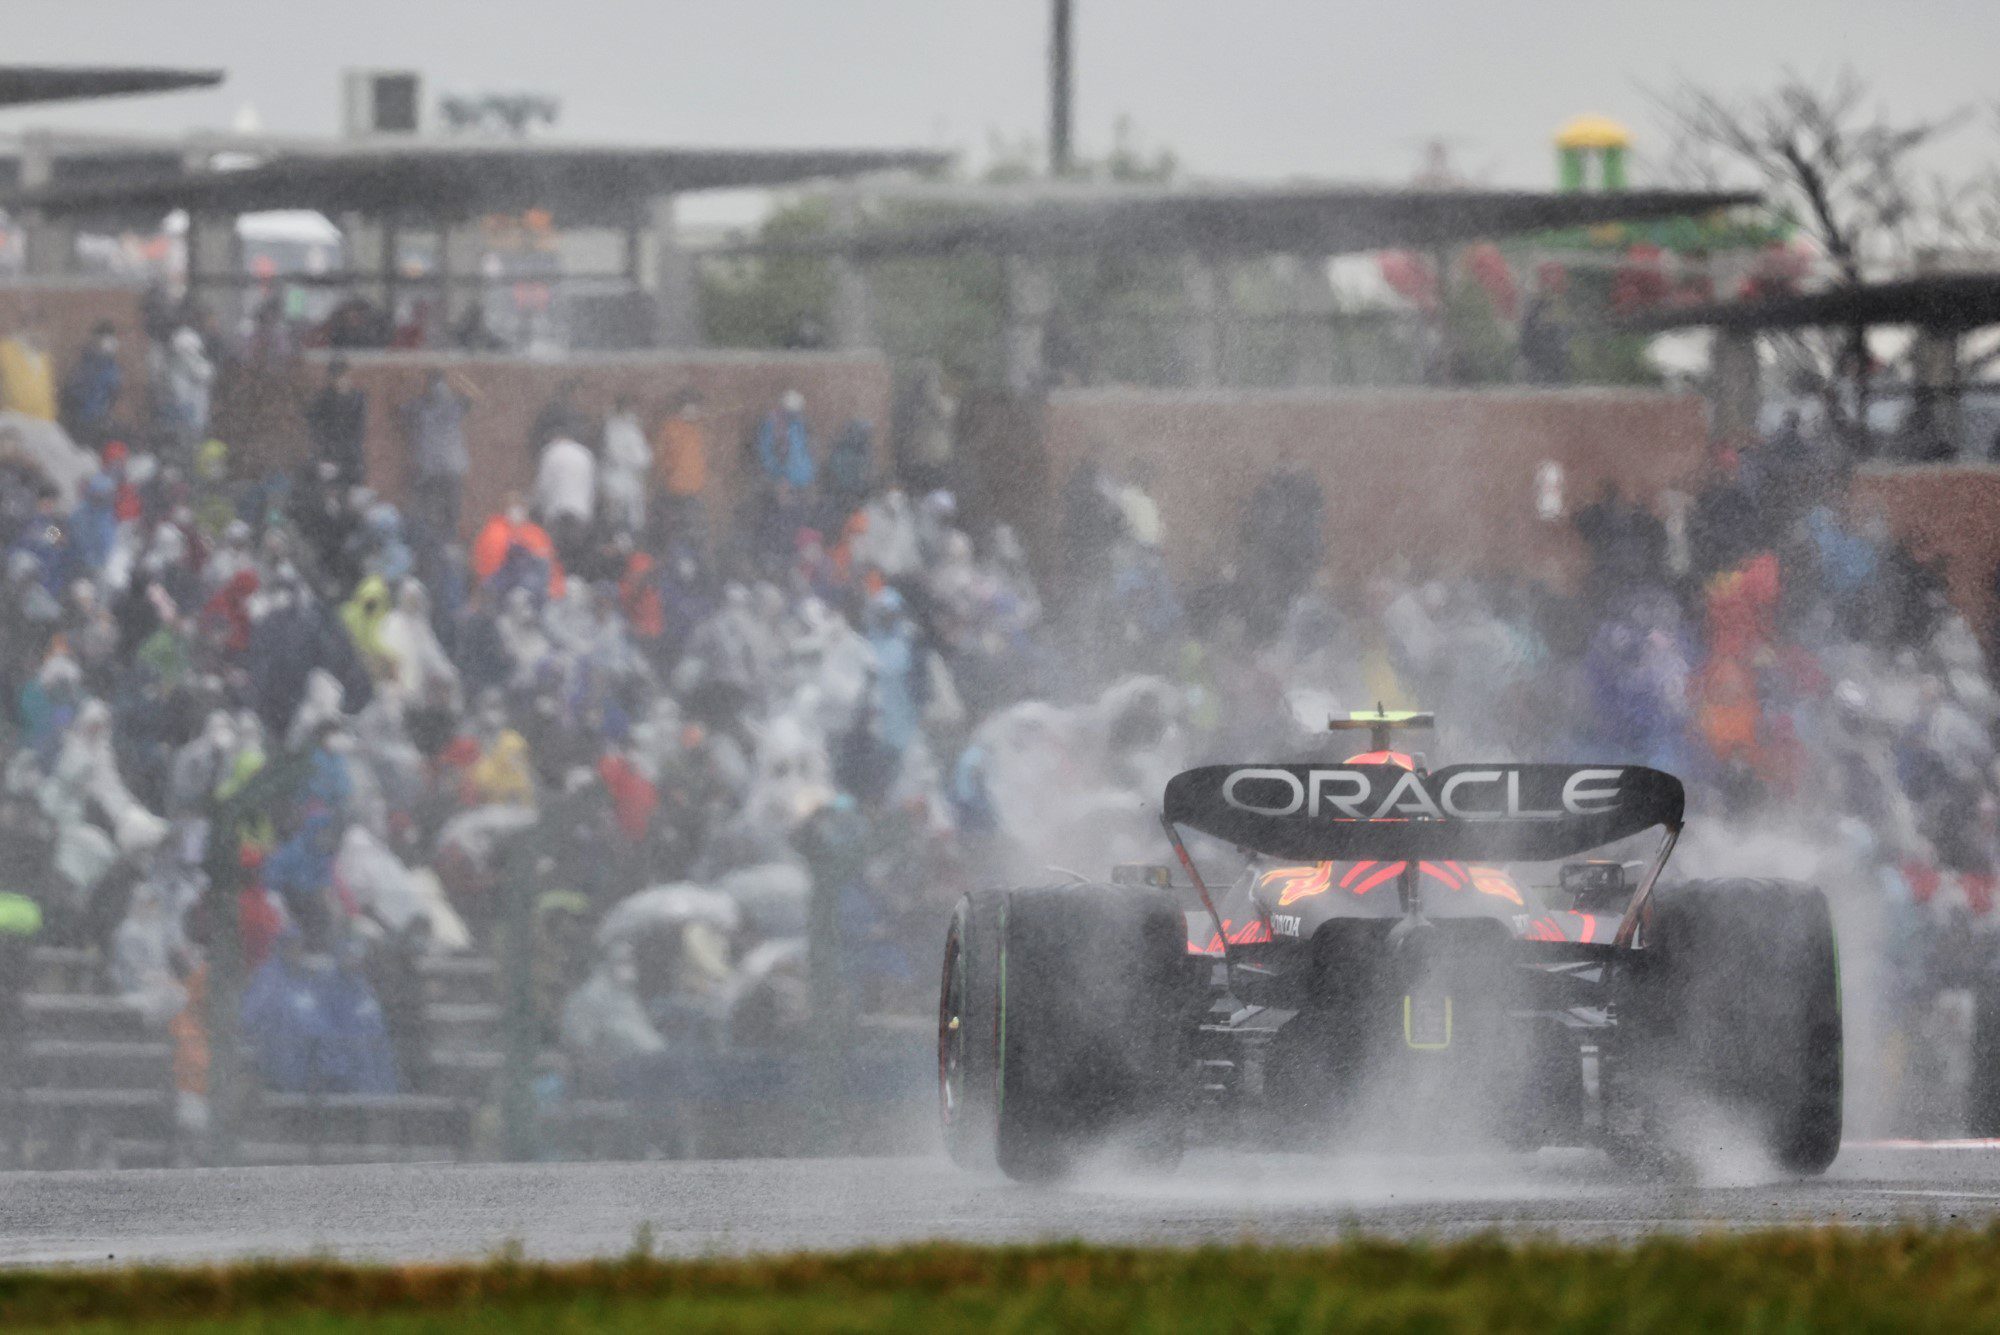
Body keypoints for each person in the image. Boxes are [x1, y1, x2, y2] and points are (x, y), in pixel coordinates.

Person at [401, 370, 477, 548]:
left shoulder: (422, 406)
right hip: (446, 468)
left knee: (433, 511)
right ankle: (442, 543)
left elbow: (399, 408)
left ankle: (436, 544)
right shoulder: (452, 404)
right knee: (446, 512)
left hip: (433, 468)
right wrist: (461, 381)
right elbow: (474, 395)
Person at [654, 390, 708, 545]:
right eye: (694, 406)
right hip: (678, 489)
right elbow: (663, 458)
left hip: (693, 488)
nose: (697, 411)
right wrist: (672, 475)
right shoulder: (672, 429)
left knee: (694, 531)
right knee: (682, 530)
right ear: (685, 407)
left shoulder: (693, 430)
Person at [534, 429, 597, 563]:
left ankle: (558, 578)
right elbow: (592, 486)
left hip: (557, 510)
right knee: (576, 554)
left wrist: (538, 506)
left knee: (555, 554)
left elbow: (544, 485)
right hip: (581, 512)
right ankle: (573, 577)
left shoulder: (551, 452)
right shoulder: (585, 454)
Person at [304, 357, 368, 487]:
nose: (344, 380)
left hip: (351, 457)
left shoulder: (358, 398)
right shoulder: (323, 399)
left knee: (352, 491)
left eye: (346, 375)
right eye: (340, 376)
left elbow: (358, 429)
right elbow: (315, 427)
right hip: (329, 455)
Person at [59, 321, 123, 448]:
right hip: (83, 422)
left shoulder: (112, 366)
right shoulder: (87, 365)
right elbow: (74, 393)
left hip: (100, 421)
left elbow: (113, 393)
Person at [599, 394, 651, 535]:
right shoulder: (612, 428)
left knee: (631, 524)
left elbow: (644, 457)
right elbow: (616, 454)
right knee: (617, 523)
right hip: (616, 483)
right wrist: (634, 460)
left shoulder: (632, 428)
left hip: (631, 484)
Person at [754, 389, 815, 492]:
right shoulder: (772, 425)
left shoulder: (798, 424)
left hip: (802, 476)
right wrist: (780, 476)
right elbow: (767, 453)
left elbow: (803, 448)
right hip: (785, 478)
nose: (797, 414)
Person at [0, 321, 57, 423]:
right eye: (41, 329)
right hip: (10, 417)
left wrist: (46, 421)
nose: (44, 335)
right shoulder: (5, 350)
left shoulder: (44, 358)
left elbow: (46, 395)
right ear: (28, 328)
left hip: (39, 422)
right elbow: (13, 393)